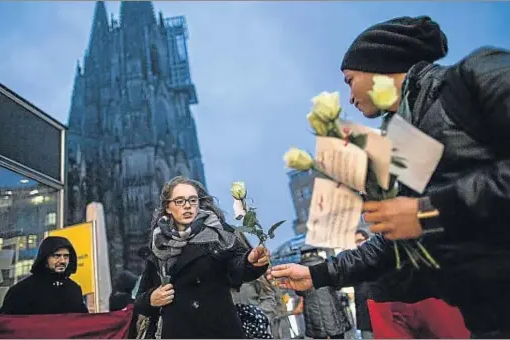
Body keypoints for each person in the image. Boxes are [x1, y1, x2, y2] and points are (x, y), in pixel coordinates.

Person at [268, 15, 510, 338]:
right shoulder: (403, 136)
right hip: (485, 314)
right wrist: (317, 275)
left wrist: (427, 210)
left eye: (349, 80)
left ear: (376, 66)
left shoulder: (472, 76)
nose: (350, 97)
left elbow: (422, 213)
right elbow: (398, 239)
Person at [132, 176, 270, 339]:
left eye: (192, 200)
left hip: (218, 330)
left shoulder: (218, 233)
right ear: (168, 207)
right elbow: (140, 300)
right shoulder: (159, 243)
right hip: (176, 332)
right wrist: (151, 299)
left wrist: (250, 262)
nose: (187, 206)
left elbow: (237, 269)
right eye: (179, 201)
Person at [0, 236, 88, 315]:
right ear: (45, 259)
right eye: (57, 256)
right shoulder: (22, 290)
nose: (62, 261)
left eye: (66, 256)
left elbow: (83, 322)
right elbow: (5, 325)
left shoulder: (74, 289)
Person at [297, 248, 351, 339]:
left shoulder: (299, 269)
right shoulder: (325, 264)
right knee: (337, 334)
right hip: (332, 308)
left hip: (313, 311)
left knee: (319, 335)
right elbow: (337, 284)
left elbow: (299, 291)